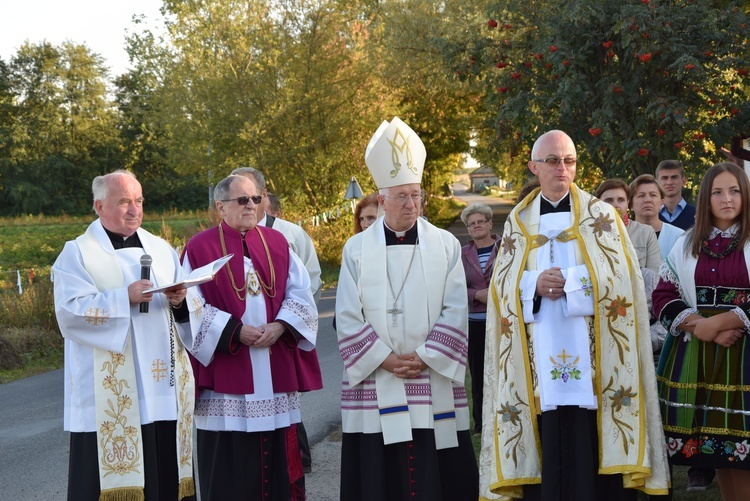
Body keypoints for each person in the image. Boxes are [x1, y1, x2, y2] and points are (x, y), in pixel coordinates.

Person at [480, 130, 669, 500]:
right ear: (534, 166)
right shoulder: (518, 222)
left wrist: (570, 282)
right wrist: (532, 284)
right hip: (536, 363)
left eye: (569, 160)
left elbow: (622, 282)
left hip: (595, 361)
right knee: (546, 432)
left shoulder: (602, 217)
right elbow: (500, 290)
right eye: (552, 160)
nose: (562, 168)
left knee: (589, 436)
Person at [336, 116, 478, 500]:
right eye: (402, 196)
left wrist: (423, 356)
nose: (412, 204)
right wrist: (384, 359)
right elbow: (347, 316)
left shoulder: (446, 245)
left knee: (436, 473)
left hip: (429, 375)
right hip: (376, 379)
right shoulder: (356, 249)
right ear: (381, 200)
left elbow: (456, 310)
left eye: (417, 195)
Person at [52, 170, 197, 501]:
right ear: (99, 206)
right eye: (124, 202)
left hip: (163, 390)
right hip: (110, 399)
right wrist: (123, 298)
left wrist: (180, 301)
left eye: (139, 200)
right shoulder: (78, 253)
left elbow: (191, 308)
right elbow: (70, 312)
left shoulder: (161, 250)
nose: (135, 209)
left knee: (164, 479)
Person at [181, 174, 322, 501]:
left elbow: (301, 294)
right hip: (227, 373)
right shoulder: (199, 247)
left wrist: (281, 326)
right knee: (231, 465)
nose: (251, 206)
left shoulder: (277, 242)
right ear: (221, 207)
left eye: (256, 199)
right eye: (242, 200)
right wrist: (234, 331)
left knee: (279, 466)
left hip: (274, 368)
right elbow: (189, 306)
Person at [653, 162, 750, 500]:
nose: (727, 199)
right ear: (706, 198)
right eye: (718, 192)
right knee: (721, 449)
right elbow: (663, 295)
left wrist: (720, 323)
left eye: (735, 190)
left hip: (745, 357)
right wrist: (702, 328)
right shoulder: (687, 242)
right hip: (702, 355)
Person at [460, 203, 500, 435]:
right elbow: (453, 288)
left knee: (504, 370)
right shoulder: (462, 255)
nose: (476, 226)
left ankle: (505, 418)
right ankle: (481, 424)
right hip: (475, 323)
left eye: (480, 221)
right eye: (471, 223)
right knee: (478, 374)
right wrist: (476, 295)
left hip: (503, 319)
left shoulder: (506, 247)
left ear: (489, 223)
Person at [595, 178, 661, 273]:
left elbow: (655, 275)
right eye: (609, 200)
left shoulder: (646, 233)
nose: (615, 205)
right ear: (597, 203)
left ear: (627, 203)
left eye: (621, 200)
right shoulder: (588, 232)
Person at [629, 174, 685, 261]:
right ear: (630, 204)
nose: (648, 200)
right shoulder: (623, 236)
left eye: (653, 195)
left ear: (661, 203)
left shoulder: (678, 236)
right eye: (641, 195)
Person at [656, 159, 696, 231]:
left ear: (683, 181)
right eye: (664, 178)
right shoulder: (651, 216)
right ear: (657, 183)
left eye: (674, 177)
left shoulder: (697, 215)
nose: (669, 182)